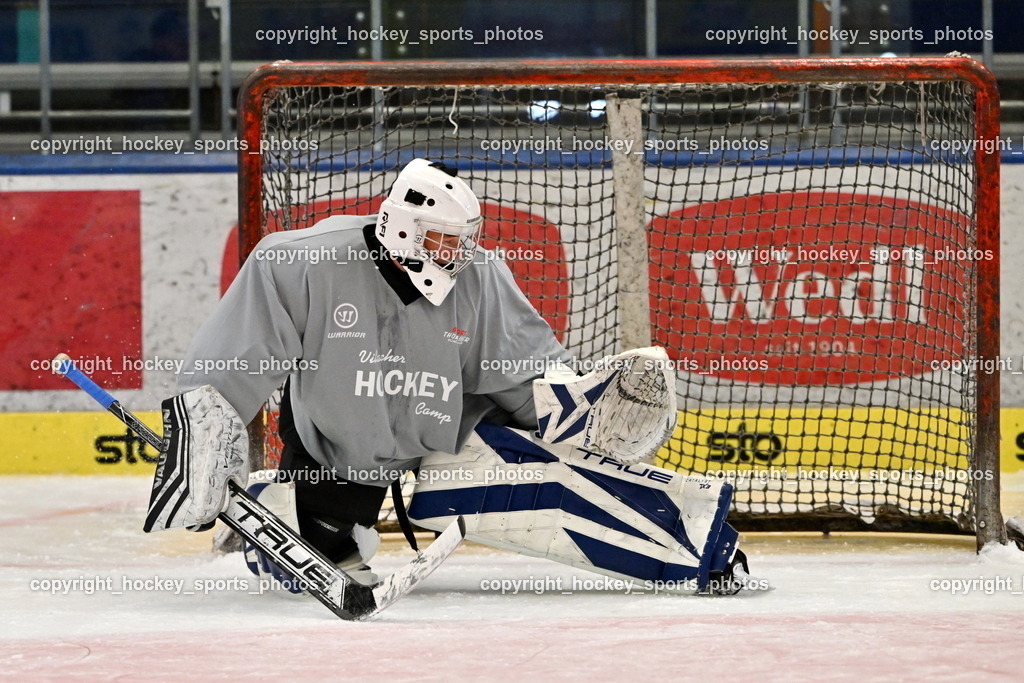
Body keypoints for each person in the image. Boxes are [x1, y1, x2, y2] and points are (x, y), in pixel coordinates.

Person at [144, 158, 749, 595]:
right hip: (337, 448)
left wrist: (573, 414)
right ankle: (275, 524)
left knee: (563, 489)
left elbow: (522, 371)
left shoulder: (479, 275)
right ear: (402, 228)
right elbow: (229, 363)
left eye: (463, 241)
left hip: (445, 442)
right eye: (443, 240)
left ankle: (696, 547)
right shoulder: (301, 262)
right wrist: (205, 444)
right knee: (323, 564)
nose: (457, 253)